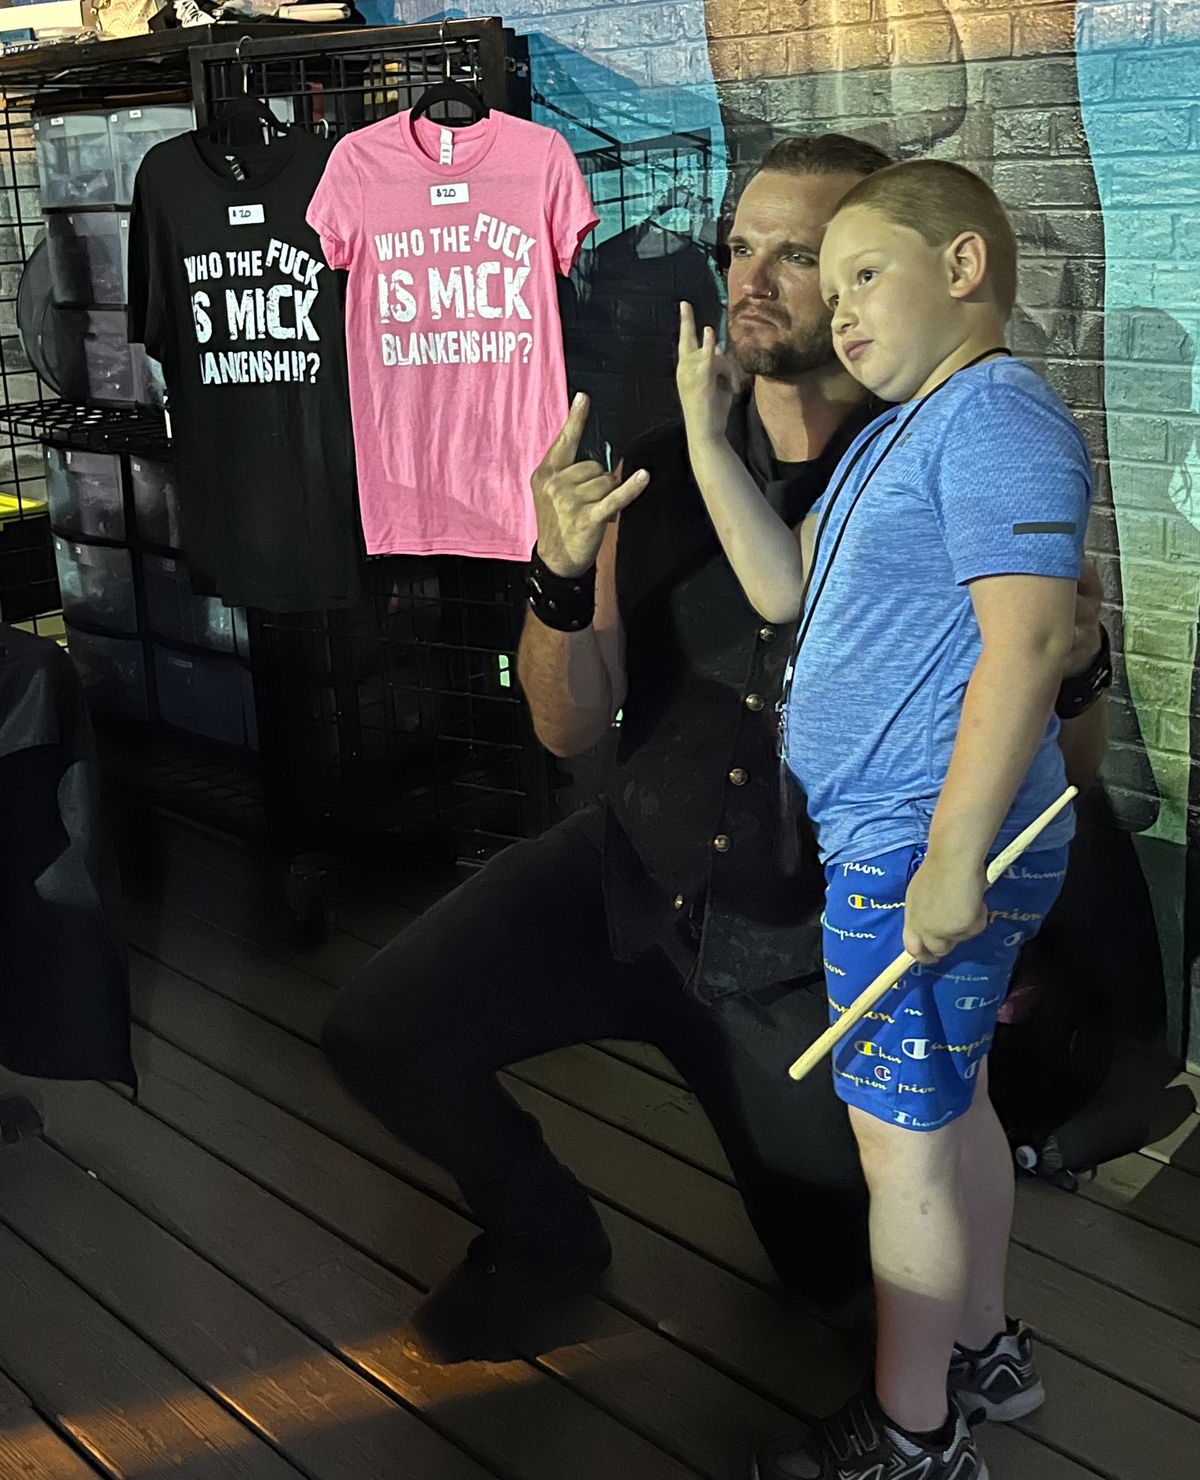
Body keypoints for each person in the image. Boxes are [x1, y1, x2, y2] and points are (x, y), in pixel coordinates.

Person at [320, 136, 1110, 1367]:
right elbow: (567, 725)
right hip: (635, 876)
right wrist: (557, 572)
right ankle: (546, 1237)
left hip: (806, 945)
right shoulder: (660, 464)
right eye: (742, 247)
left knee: (847, 1271)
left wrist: (1080, 659)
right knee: (378, 1028)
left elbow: (1077, 761)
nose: (756, 279)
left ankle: (936, 1365)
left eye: (807, 256)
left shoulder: (955, 457)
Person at [677, 159, 1094, 1480]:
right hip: (906, 841)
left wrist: (954, 857)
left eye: (866, 273)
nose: (841, 307)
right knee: (951, 1110)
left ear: (964, 266)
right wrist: (705, 436)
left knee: (900, 1151)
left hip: (922, 847)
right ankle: (983, 1356)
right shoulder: (902, 431)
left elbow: (1028, 645)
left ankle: (914, 1435)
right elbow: (783, 587)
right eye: (835, 282)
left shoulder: (996, 418)